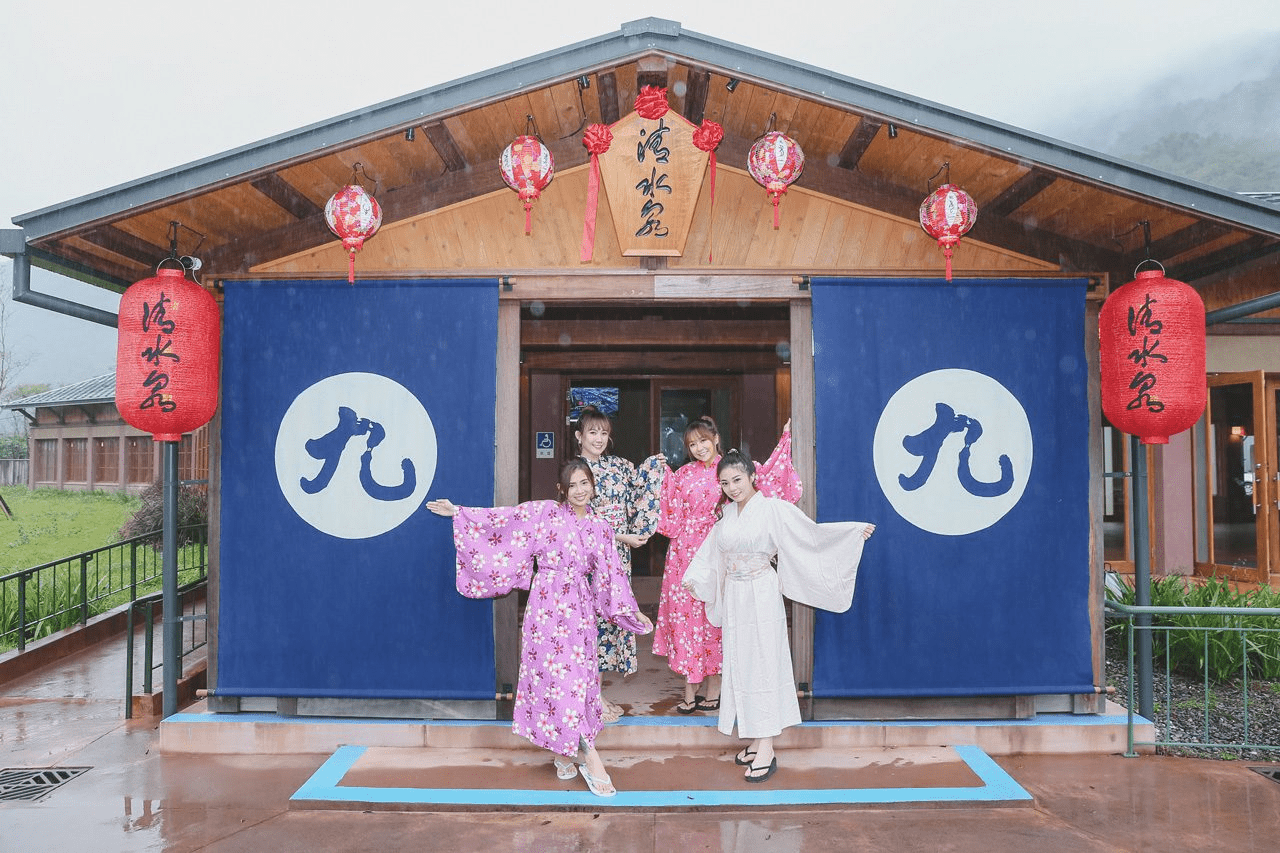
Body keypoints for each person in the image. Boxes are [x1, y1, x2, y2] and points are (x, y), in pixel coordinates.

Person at [426, 459, 653, 797]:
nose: (580, 490)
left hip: (580, 610)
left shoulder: (601, 528)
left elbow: (611, 578)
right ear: (562, 490)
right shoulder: (545, 513)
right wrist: (459, 512)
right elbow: (505, 521)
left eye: (585, 483)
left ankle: (571, 750)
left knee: (578, 682)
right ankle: (587, 757)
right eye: (572, 485)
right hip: (545, 609)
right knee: (554, 682)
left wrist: (631, 613)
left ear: (593, 485)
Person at [682, 448, 874, 784]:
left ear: (752, 476)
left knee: (763, 664)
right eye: (725, 482)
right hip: (735, 597)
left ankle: (767, 746)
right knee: (742, 666)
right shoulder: (727, 516)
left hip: (760, 593)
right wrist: (696, 577)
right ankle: (757, 738)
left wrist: (850, 534)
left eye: (737, 479)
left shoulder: (772, 510)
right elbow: (711, 554)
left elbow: (810, 537)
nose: (732, 487)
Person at [652, 416, 801, 715]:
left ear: (716, 438)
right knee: (687, 621)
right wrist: (657, 474)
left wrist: (785, 440)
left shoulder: (731, 469)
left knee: (717, 617)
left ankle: (715, 688)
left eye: (703, 441)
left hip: (724, 548)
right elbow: (669, 515)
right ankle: (689, 689)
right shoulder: (681, 475)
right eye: (692, 444)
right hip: (685, 553)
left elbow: (768, 476)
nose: (699, 448)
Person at [573, 406, 665, 723]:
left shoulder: (621, 466)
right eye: (592, 432)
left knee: (610, 622)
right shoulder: (574, 472)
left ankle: (595, 697)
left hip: (618, 559)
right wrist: (623, 537)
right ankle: (592, 700)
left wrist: (655, 467)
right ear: (579, 436)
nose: (598, 438)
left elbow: (641, 491)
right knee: (589, 625)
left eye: (603, 432)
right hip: (588, 560)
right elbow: (577, 519)